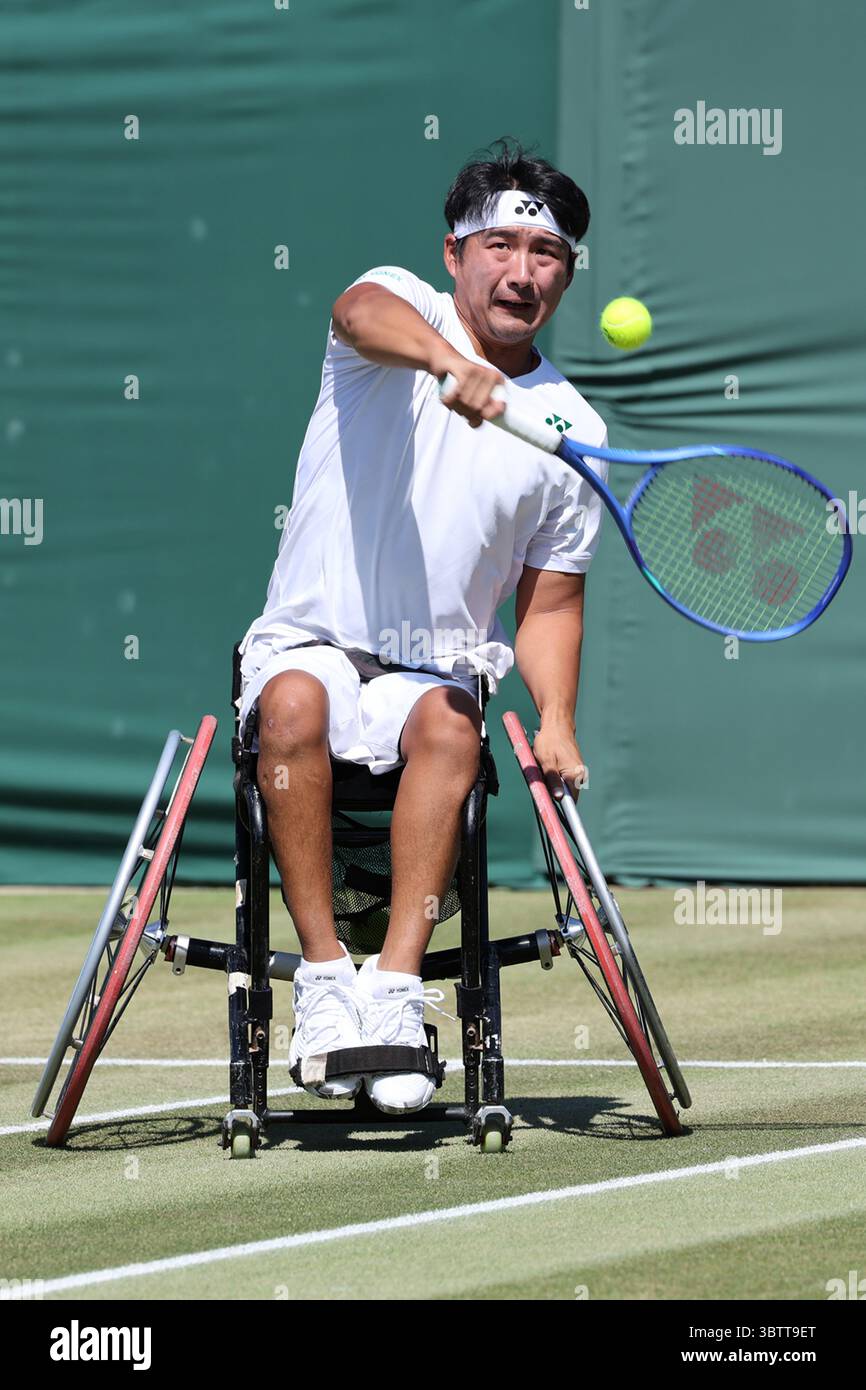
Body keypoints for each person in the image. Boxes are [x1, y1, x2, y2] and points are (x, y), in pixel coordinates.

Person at [236, 137, 609, 1116]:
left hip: (432, 673)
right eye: (498, 245)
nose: (520, 273)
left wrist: (558, 718)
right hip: (308, 640)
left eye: (545, 256)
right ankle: (324, 984)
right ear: (454, 255)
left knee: (451, 725)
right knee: (290, 703)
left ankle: (395, 995)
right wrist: (450, 362)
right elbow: (357, 312)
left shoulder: (575, 428)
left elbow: (550, 600)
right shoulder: (394, 312)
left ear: (566, 275)